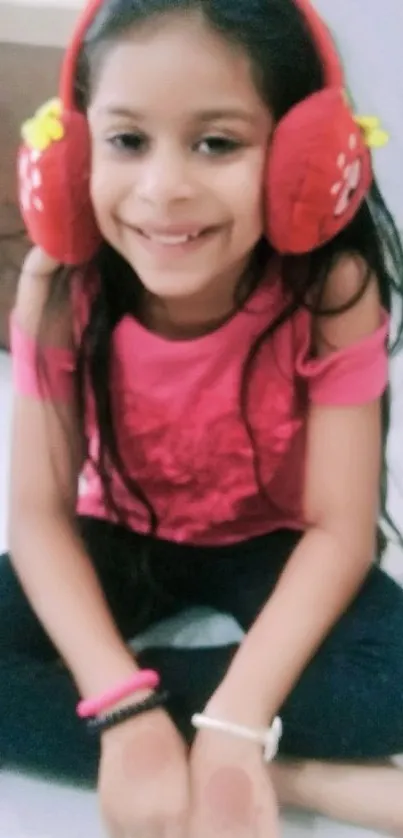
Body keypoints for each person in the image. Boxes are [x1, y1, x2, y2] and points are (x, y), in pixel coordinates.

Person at [2, 0, 403, 835]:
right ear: (76, 152)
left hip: (270, 537)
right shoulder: (62, 289)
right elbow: (38, 518)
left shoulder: (332, 289)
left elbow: (339, 529)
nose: (162, 190)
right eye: (126, 141)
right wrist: (120, 708)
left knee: (391, 675)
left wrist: (235, 723)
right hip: (117, 532)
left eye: (216, 142)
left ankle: (239, 754)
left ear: (305, 157)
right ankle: (298, 776)